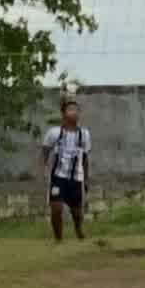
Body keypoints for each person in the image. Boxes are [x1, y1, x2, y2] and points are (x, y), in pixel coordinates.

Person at [42, 93, 93, 244]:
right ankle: (58, 238)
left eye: (76, 110)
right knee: (56, 208)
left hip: (76, 178)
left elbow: (85, 158)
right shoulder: (55, 133)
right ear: (63, 113)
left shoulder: (84, 134)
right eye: (70, 109)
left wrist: (86, 179)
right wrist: (44, 170)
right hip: (58, 177)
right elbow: (45, 151)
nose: (74, 112)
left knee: (76, 211)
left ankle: (78, 230)